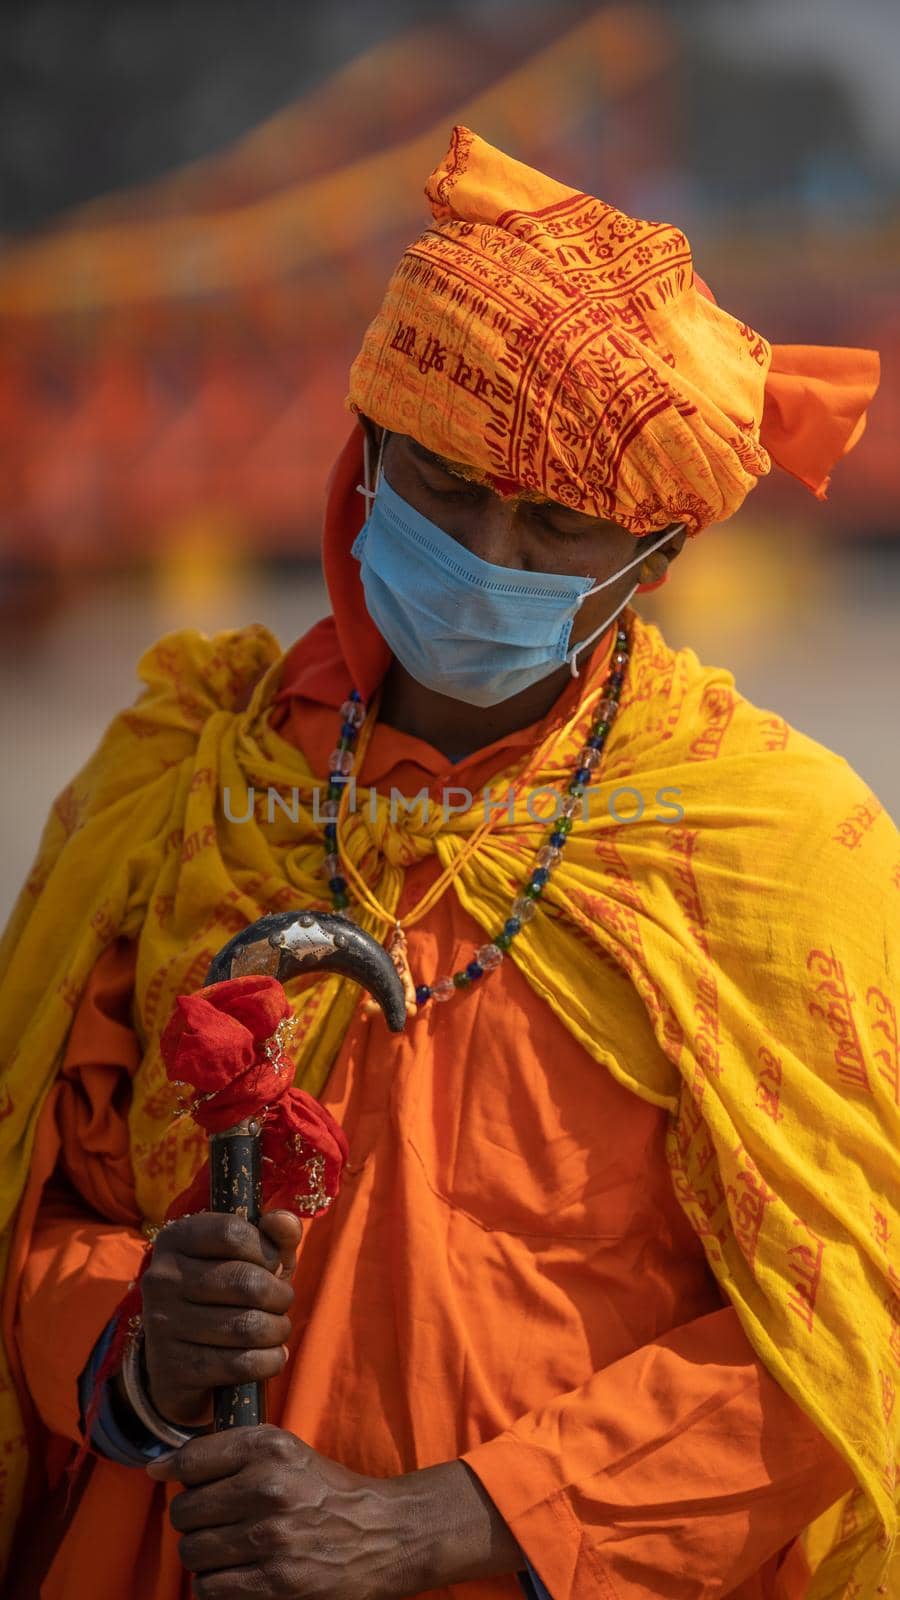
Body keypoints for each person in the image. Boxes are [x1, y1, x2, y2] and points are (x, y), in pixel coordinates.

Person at [0, 126, 897, 1600]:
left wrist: (453, 1521)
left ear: (651, 563)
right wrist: (134, 1348)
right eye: (445, 486)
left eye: (553, 526)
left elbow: (852, 1327)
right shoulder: (180, 789)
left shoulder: (779, 851)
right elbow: (38, 1215)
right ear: (362, 461)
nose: (487, 549)